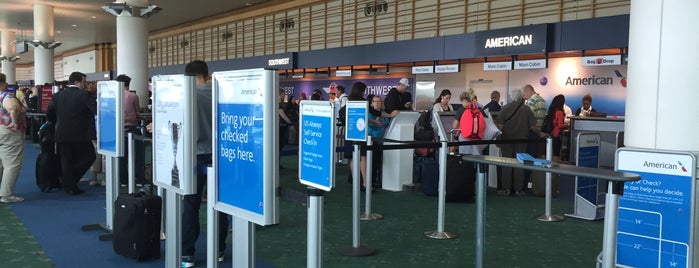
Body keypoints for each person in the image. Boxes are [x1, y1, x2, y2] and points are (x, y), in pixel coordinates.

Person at [179, 60, 229, 267]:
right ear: (207, 74)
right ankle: (218, 250)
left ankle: (187, 255)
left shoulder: (188, 96)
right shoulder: (221, 95)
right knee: (220, 205)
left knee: (190, 206)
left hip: (195, 156)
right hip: (220, 155)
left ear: (188, 76)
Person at [46, 72, 96, 195]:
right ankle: (70, 181)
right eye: (84, 82)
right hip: (81, 134)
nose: (85, 85)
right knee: (90, 157)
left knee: (66, 160)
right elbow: (96, 110)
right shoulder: (85, 95)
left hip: (62, 132)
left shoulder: (57, 95)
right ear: (77, 82)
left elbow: (50, 112)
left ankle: (69, 184)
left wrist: (55, 122)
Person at [494, 89, 543, 196]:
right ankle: (518, 190)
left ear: (511, 97)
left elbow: (499, 126)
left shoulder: (505, 108)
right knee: (519, 163)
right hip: (522, 141)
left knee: (506, 163)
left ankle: (506, 189)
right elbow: (533, 126)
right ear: (521, 97)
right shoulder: (526, 109)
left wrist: (498, 138)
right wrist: (540, 134)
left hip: (507, 141)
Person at [0, 73, 27, 203]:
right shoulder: (6, 96)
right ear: (3, 83)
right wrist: (15, 122)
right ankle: (6, 195)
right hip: (8, 132)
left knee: (1, 162)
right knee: (12, 163)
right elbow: (13, 108)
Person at [452, 89, 488, 155]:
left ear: (465, 100)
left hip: (464, 138)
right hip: (477, 138)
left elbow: (454, 126)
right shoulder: (479, 109)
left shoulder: (461, 110)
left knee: (465, 158)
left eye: (462, 101)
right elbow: (486, 122)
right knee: (477, 158)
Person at [278, 88, 293, 167]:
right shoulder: (278, 104)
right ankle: (276, 164)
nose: (284, 95)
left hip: (281, 126)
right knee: (279, 146)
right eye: (283, 94)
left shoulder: (279, 103)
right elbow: (282, 114)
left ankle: (277, 164)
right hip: (280, 127)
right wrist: (290, 123)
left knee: (279, 146)